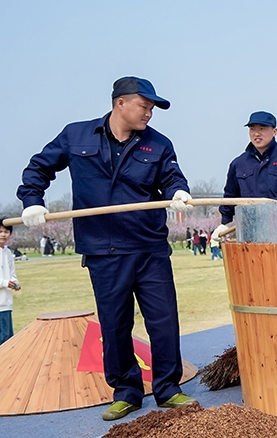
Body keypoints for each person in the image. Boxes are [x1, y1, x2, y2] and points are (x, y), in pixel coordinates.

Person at [16, 76, 197, 421]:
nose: (149, 114)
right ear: (121, 104)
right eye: (145, 107)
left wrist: (177, 192)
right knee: (114, 324)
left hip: (149, 247)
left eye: (152, 109)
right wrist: (32, 201)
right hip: (103, 249)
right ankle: (126, 391)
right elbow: (38, 168)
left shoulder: (159, 144)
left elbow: (173, 177)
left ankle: (169, 389)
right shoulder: (76, 135)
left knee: (163, 320)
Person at [212, 112, 277, 241]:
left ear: (274, 131)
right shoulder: (238, 164)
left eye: (262, 129)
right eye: (252, 129)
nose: (256, 133)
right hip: (249, 232)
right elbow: (230, 196)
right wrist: (224, 224)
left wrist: (270, 208)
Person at [0, 223, 21, 346]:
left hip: (6, 304)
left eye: (6, 232)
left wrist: (15, 282)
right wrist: (6, 283)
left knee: (8, 338)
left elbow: (12, 273)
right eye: (0, 231)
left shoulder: (7, 252)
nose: (3, 234)